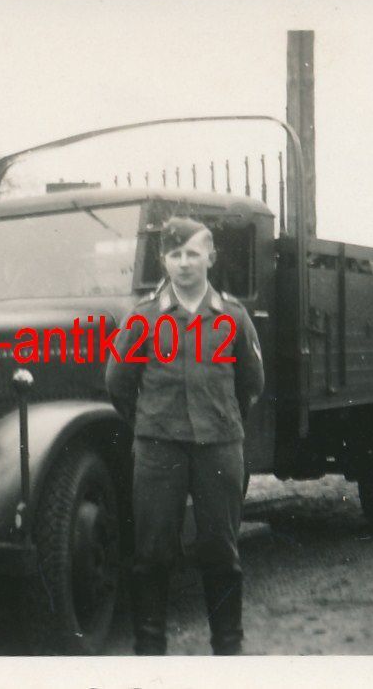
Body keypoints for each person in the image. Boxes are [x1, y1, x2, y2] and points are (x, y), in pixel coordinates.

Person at [105, 216, 264, 655]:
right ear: (163, 261)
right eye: (174, 255)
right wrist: (153, 424)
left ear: (210, 257)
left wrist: (221, 421)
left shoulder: (233, 316)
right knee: (152, 553)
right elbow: (118, 383)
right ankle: (150, 655)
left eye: (193, 253)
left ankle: (228, 652)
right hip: (158, 450)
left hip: (219, 448)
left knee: (221, 552)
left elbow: (252, 383)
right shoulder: (143, 320)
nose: (184, 263)